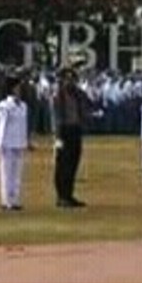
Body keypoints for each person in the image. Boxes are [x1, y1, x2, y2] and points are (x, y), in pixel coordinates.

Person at [52, 67, 89, 208]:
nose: (71, 81)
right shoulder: (58, 95)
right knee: (62, 165)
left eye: (73, 79)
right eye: (67, 78)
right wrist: (57, 137)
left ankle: (69, 194)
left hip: (75, 130)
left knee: (73, 163)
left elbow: (85, 104)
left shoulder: (77, 94)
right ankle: (61, 196)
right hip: (63, 132)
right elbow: (56, 118)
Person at [0, 75, 29, 211]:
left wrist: (25, 141)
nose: (19, 89)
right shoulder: (4, 105)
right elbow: (2, 125)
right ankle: (6, 201)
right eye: (17, 87)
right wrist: (1, 142)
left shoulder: (23, 106)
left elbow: (24, 125)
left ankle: (15, 199)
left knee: (17, 173)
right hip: (7, 143)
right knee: (6, 172)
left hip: (19, 141)